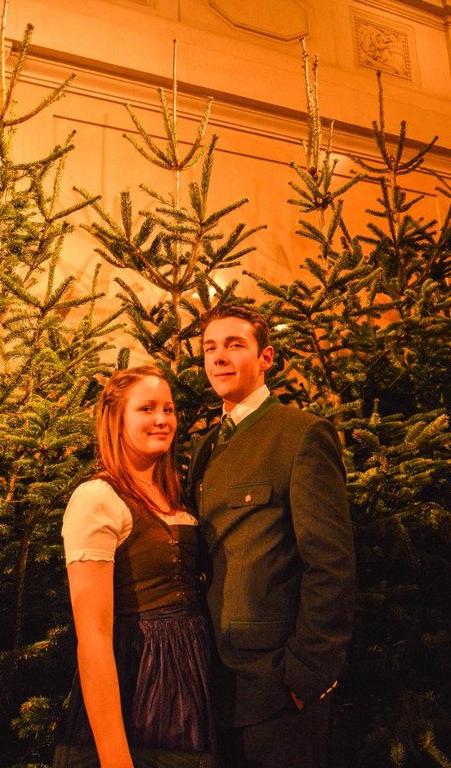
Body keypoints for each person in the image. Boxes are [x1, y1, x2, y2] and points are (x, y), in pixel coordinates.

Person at [187, 305, 355, 768]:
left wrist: (307, 674)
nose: (219, 357)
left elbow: (330, 564)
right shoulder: (204, 446)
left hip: (276, 691)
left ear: (266, 357)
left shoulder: (301, 435)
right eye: (210, 348)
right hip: (214, 685)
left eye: (234, 345)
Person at [53, 365, 214, 768]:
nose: (162, 419)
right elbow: (93, 636)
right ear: (116, 418)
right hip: (139, 685)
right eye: (146, 408)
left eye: (168, 409)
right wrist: (114, 758)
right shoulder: (97, 498)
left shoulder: (176, 494)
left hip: (190, 680)